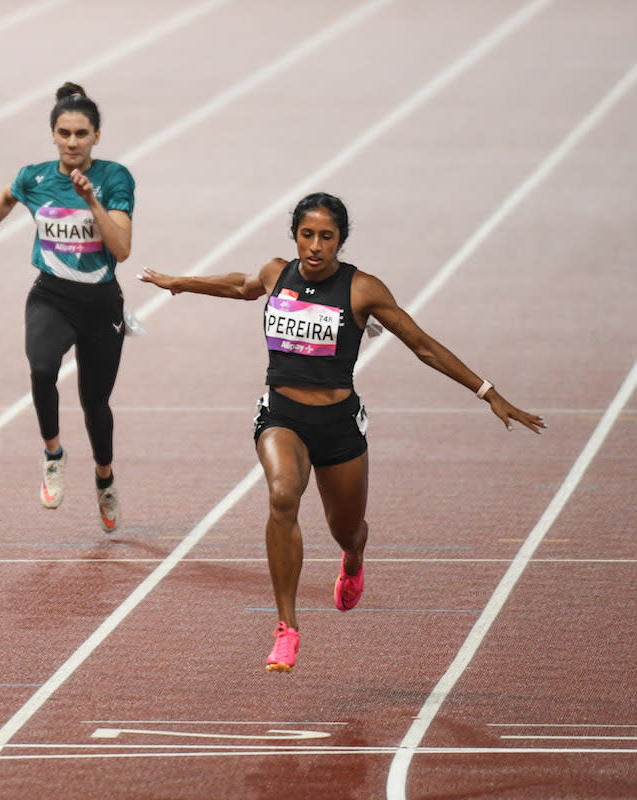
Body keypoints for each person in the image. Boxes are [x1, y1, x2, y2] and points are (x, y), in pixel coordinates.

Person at [139, 192, 545, 672]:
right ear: (294, 236)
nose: (314, 246)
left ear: (340, 242)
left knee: (346, 530)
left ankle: (353, 560)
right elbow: (241, 286)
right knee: (283, 495)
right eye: (306, 235)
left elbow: (422, 346)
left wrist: (487, 390)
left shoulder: (362, 290)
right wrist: (180, 283)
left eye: (326, 237)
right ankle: (286, 629)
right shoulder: (277, 273)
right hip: (281, 415)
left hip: (338, 425)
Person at [0, 82, 135, 533]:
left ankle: (105, 476)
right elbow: (4, 199)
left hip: (101, 303)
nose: (72, 141)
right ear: (53, 135)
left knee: (95, 403)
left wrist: (92, 199)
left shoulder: (115, 179)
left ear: (97, 136)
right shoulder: (34, 177)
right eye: (64, 132)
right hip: (52, 295)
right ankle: (53, 454)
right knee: (40, 367)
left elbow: (123, 249)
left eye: (81, 133)